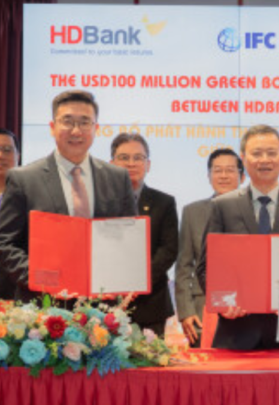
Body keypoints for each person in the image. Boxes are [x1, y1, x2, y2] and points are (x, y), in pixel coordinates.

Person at [0, 90, 136, 302]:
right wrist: (38, 278)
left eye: (84, 122)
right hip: (41, 306)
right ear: (52, 127)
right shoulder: (24, 179)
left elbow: (129, 240)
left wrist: (124, 280)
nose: (76, 131)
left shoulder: (118, 178)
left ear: (96, 128)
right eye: (67, 122)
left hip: (103, 305)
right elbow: (5, 242)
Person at [196, 124, 279, 350]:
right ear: (243, 158)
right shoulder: (222, 206)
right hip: (235, 334)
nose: (264, 160)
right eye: (256, 153)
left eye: (272, 153)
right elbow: (205, 268)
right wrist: (223, 304)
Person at [110, 133, 178, 336]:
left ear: (148, 164)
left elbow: (168, 250)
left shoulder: (164, 202)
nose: (131, 163)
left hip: (151, 304)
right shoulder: (100, 201)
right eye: (124, 157)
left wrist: (139, 281)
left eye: (138, 158)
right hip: (108, 303)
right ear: (112, 164)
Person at [175, 148, 245, 347]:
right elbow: (184, 266)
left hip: (246, 309)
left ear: (242, 176)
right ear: (208, 176)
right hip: (202, 310)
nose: (223, 176)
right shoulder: (192, 212)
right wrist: (186, 311)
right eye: (217, 170)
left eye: (230, 170)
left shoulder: (255, 210)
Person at [0, 128, 20, 300]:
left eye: (7, 150)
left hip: (17, 287)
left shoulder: (30, 196)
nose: (1, 155)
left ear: (17, 156)